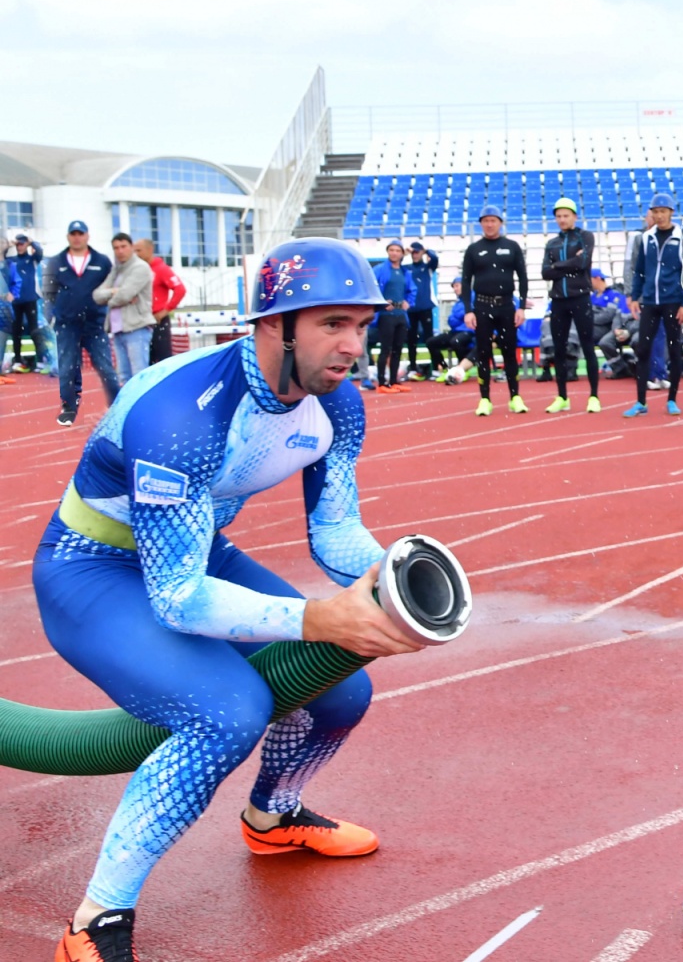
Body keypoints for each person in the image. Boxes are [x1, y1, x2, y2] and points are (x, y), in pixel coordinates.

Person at [38, 237, 423, 962]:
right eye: (333, 324)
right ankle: (94, 919)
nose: (352, 346)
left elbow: (335, 529)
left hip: (193, 548)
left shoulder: (338, 405)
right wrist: (320, 615)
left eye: (362, 326)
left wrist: (392, 580)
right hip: (91, 569)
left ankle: (272, 816)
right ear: (274, 324)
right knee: (226, 711)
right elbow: (178, 597)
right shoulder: (183, 411)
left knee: (342, 690)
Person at [45, 220, 120, 426]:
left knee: (105, 366)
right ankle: (69, 408)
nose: (77, 237)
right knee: (68, 367)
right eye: (73, 234)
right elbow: (48, 292)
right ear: (68, 236)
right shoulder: (56, 261)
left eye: (81, 233)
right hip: (67, 324)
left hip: (94, 324)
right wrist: (51, 316)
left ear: (87, 236)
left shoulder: (102, 261)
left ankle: (117, 406)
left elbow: (112, 287)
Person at [460, 204, 530, 416]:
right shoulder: (473, 249)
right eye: (485, 221)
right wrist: (468, 310)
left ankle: (515, 396)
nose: (489, 224)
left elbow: (523, 277)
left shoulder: (512, 246)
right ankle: (485, 399)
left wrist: (522, 307)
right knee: (483, 353)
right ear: (481, 223)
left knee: (509, 352)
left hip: (507, 306)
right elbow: (465, 281)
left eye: (493, 220)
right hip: (481, 306)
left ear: (500, 223)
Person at [623, 194, 683, 417]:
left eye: (663, 211)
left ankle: (672, 399)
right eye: (655, 211)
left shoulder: (682, 237)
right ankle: (641, 401)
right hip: (650, 302)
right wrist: (635, 296)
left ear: (671, 212)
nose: (659, 215)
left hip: (673, 302)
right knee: (643, 350)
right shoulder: (646, 238)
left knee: (674, 350)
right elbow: (640, 270)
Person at [541, 197, 602, 414]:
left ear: (574, 216)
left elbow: (583, 262)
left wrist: (558, 266)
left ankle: (594, 396)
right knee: (558, 349)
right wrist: (567, 265)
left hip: (580, 297)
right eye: (558, 216)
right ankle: (562, 396)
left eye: (566, 215)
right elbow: (545, 272)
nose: (562, 219)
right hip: (558, 301)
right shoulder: (552, 243)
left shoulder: (585, 236)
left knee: (587, 346)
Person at [94, 232, 157, 386]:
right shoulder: (116, 270)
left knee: (139, 375)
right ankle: (129, 409)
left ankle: (143, 409)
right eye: (116, 248)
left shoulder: (140, 268)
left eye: (123, 246)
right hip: (117, 330)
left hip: (136, 328)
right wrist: (115, 293)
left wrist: (112, 297)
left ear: (131, 247)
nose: (120, 251)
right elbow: (97, 295)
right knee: (124, 377)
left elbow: (125, 294)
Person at [370, 241, 415, 394]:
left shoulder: (405, 272)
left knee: (397, 349)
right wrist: (381, 303)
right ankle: (382, 382)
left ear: (402, 254)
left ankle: (394, 381)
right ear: (387, 252)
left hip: (401, 315)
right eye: (391, 250)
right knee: (385, 349)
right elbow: (372, 287)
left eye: (397, 250)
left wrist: (409, 302)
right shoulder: (380, 270)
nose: (394, 253)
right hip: (386, 315)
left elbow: (411, 289)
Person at [133, 238, 186, 364]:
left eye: (139, 250)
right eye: (134, 251)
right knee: (144, 360)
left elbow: (180, 289)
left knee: (163, 359)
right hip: (140, 321)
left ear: (150, 250)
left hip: (158, 321)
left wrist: (165, 311)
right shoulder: (137, 270)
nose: (136, 254)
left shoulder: (161, 269)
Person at [9, 232, 51, 372]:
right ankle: (18, 361)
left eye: (22, 244)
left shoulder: (32, 259)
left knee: (34, 330)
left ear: (26, 245)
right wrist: (9, 243)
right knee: (16, 332)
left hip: (30, 299)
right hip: (15, 301)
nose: (20, 246)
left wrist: (31, 241)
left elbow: (39, 251)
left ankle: (40, 360)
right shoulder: (12, 260)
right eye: (18, 244)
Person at [427, 277, 475, 382]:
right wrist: (459, 317)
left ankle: (462, 370)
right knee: (431, 342)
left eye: (457, 286)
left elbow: (467, 316)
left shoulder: (473, 298)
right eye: (454, 287)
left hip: (470, 332)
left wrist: (459, 317)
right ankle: (444, 369)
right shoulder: (457, 303)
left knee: (456, 342)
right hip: (456, 331)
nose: (455, 289)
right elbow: (451, 321)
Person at [403, 241, 439, 379]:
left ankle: (435, 368)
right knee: (411, 340)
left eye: (417, 252)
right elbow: (395, 264)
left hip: (425, 308)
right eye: (413, 252)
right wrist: (404, 253)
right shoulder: (406, 268)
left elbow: (435, 258)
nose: (415, 255)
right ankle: (412, 368)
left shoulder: (428, 268)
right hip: (411, 309)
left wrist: (426, 250)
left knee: (430, 339)